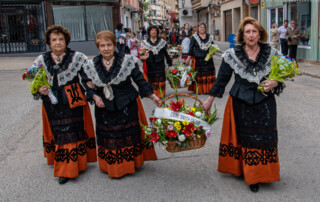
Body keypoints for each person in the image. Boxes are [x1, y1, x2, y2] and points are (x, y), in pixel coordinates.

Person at [202, 17, 284, 193]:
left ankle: (263, 173)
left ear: (260, 33)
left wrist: (275, 82)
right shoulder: (232, 55)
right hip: (240, 102)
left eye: (254, 31)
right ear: (242, 35)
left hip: (265, 102)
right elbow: (222, 79)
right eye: (247, 31)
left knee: (264, 138)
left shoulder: (271, 53)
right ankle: (250, 175)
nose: (251, 35)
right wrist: (209, 100)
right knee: (245, 137)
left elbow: (283, 74)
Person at [83, 30, 159, 178]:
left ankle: (130, 164)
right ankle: (111, 165)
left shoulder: (127, 61)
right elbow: (86, 84)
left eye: (109, 45)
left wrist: (152, 95)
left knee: (127, 134)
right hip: (103, 107)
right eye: (102, 45)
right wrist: (94, 96)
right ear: (98, 47)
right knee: (109, 135)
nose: (106, 48)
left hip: (126, 104)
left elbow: (139, 80)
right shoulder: (90, 65)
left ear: (114, 44)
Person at [33, 25, 97, 184]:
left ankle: (72, 167)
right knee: (60, 133)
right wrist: (39, 89)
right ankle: (67, 167)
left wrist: (93, 90)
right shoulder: (41, 60)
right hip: (52, 102)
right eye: (53, 39)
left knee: (72, 132)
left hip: (73, 99)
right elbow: (34, 84)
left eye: (61, 39)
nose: (58, 42)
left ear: (66, 41)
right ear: (48, 42)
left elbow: (87, 79)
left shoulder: (79, 57)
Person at [140, 25, 172, 97]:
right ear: (149, 32)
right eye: (152, 30)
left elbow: (165, 52)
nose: (153, 32)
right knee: (151, 78)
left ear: (157, 32)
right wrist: (142, 58)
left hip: (160, 62)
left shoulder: (162, 41)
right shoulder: (145, 42)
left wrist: (169, 60)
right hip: (150, 62)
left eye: (155, 30)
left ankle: (160, 93)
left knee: (160, 77)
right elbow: (142, 53)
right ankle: (152, 93)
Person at [185, 23, 216, 94]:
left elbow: (213, 47)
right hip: (199, 59)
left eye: (203, 27)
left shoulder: (209, 37)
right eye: (200, 27)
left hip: (208, 59)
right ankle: (200, 90)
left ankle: (209, 89)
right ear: (198, 29)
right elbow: (191, 48)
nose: (202, 29)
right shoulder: (194, 37)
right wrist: (188, 58)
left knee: (208, 74)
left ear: (205, 28)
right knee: (199, 74)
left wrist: (212, 52)